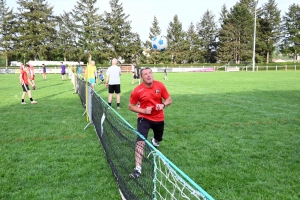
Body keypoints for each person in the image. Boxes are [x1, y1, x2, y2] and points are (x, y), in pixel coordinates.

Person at [128, 67, 172, 178]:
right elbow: (130, 106)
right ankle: (138, 169)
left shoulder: (160, 85)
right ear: (142, 77)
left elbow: (169, 99)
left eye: (150, 73)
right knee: (140, 142)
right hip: (144, 118)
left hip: (159, 118)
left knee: (158, 139)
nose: (149, 75)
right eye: (145, 74)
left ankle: (154, 140)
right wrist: (143, 110)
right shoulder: (137, 90)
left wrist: (163, 105)